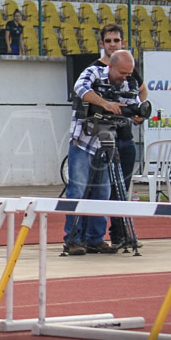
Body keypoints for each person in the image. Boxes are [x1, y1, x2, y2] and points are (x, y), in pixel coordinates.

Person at [63, 50, 141, 255]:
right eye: (122, 72)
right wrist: (105, 103)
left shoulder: (128, 83)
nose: (126, 77)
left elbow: (134, 105)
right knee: (77, 191)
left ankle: (95, 239)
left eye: (129, 73)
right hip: (83, 140)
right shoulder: (93, 72)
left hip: (107, 141)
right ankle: (72, 239)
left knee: (102, 192)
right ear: (111, 66)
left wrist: (137, 114)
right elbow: (79, 88)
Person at [93, 25, 147, 247]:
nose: (112, 44)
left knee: (122, 189)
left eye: (116, 40)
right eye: (109, 41)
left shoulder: (128, 67)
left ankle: (120, 233)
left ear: (122, 43)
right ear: (102, 44)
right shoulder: (95, 70)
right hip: (104, 138)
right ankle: (96, 236)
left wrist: (138, 111)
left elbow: (142, 90)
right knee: (103, 189)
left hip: (125, 137)